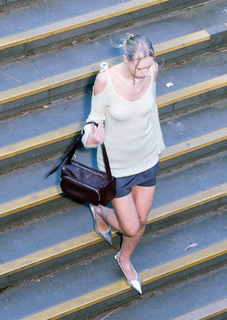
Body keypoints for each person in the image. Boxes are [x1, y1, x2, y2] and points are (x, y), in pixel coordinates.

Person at [81, 34, 165, 294]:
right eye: (138, 67)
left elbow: (151, 109)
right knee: (129, 226)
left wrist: (158, 146)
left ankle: (124, 258)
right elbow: (93, 121)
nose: (143, 73)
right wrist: (90, 139)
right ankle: (100, 211)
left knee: (141, 220)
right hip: (117, 167)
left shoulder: (151, 71)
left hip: (146, 157)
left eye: (148, 66)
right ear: (125, 59)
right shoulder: (105, 80)